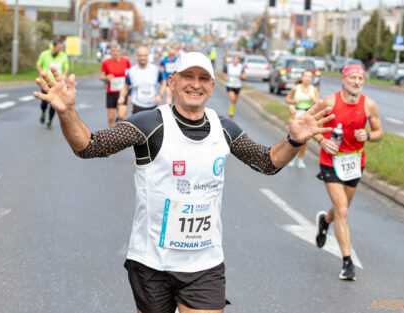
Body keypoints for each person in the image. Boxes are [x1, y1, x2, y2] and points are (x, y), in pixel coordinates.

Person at [33, 52, 334, 313]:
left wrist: (294, 139)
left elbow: (267, 162)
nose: (195, 83)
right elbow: (89, 146)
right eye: (187, 76)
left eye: (203, 78)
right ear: (173, 81)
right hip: (151, 262)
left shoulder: (224, 128)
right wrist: (67, 112)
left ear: (212, 87)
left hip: (204, 264)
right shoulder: (149, 124)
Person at [313, 64, 383, 281]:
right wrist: (323, 141)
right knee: (343, 211)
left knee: (340, 209)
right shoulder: (330, 102)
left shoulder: (369, 105)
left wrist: (369, 136)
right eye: (352, 78)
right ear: (343, 80)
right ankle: (347, 263)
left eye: (360, 79)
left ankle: (324, 222)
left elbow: (380, 132)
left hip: (354, 162)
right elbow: (311, 123)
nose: (356, 82)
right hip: (331, 162)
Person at [285, 70, 319, 168]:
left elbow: (318, 103)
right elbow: (287, 99)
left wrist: (314, 100)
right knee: (294, 138)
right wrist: (294, 101)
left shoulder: (314, 90)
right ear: (302, 78)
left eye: (310, 77)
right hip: (298, 114)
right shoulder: (296, 88)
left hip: (308, 115)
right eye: (306, 76)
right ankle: (291, 158)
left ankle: (300, 159)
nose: (308, 78)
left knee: (305, 140)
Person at [118, 46, 166, 114]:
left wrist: (159, 95)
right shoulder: (131, 71)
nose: (143, 58)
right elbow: (126, 86)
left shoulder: (155, 70)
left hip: (152, 106)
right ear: (136, 56)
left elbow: (163, 83)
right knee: (137, 124)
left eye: (145, 55)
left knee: (151, 125)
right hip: (137, 105)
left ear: (148, 56)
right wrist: (122, 96)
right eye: (140, 56)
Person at [36, 38, 69, 129]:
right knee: (44, 103)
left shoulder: (63, 56)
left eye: (61, 47)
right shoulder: (44, 54)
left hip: (57, 84)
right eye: (59, 47)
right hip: (46, 82)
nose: (60, 49)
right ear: (54, 46)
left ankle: (50, 121)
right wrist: (41, 72)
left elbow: (66, 68)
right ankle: (43, 113)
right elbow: (39, 64)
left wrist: (64, 75)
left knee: (54, 104)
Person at [100, 44, 131, 127]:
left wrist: (129, 94)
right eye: (113, 51)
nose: (115, 53)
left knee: (121, 116)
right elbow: (101, 77)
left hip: (123, 91)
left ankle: (121, 133)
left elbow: (130, 76)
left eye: (117, 51)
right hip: (111, 92)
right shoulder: (106, 63)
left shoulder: (125, 61)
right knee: (111, 118)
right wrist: (107, 77)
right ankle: (113, 135)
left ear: (120, 52)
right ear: (110, 52)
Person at [223, 55, 246, 120]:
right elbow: (224, 72)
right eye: (234, 59)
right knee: (232, 98)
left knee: (235, 101)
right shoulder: (229, 66)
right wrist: (226, 77)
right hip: (229, 85)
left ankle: (232, 113)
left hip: (237, 85)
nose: (235, 61)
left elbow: (244, 76)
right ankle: (230, 113)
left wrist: (240, 76)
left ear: (238, 61)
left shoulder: (241, 67)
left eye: (237, 60)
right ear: (233, 60)